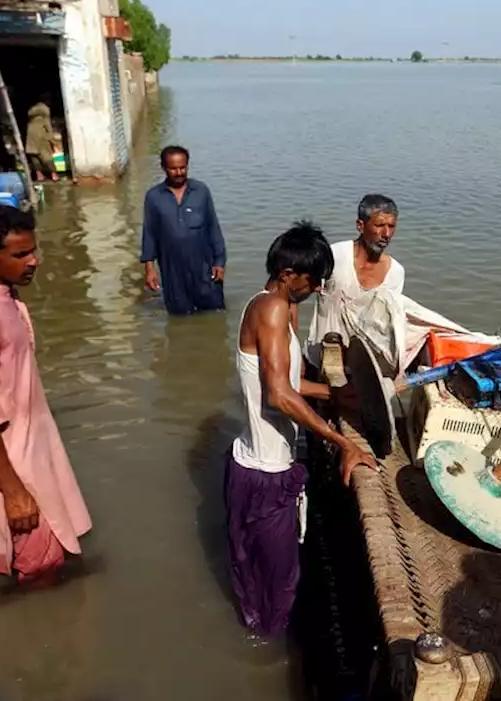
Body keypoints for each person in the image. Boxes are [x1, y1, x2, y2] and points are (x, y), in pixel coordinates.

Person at [227, 220, 377, 640]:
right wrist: (342, 441)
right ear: (289, 275)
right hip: (266, 475)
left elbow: (288, 384)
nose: (314, 292)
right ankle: (266, 656)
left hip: (250, 466)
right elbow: (278, 396)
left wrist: (335, 394)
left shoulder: (263, 304)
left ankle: (256, 637)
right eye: (312, 283)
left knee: (253, 573)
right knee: (279, 582)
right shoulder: (274, 309)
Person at [0, 205, 92, 581]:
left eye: (33, 251)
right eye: (21, 254)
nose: (34, 261)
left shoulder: (1, 295)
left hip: (31, 454)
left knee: (51, 567)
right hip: (14, 469)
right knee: (39, 574)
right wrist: (14, 492)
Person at [304, 194, 404, 372]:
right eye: (380, 226)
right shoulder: (334, 256)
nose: (386, 234)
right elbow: (296, 291)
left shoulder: (395, 273)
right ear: (360, 225)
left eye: (391, 226)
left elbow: (387, 326)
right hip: (317, 360)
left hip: (360, 372)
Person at [140, 145, 227, 315]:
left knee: (214, 313)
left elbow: (213, 228)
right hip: (172, 268)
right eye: (173, 168)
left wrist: (220, 262)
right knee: (179, 315)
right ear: (164, 168)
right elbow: (149, 234)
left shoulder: (201, 191)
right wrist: (150, 270)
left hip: (204, 266)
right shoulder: (154, 197)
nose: (179, 172)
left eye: (183, 167)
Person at [24, 95, 60, 182]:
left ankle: (39, 175)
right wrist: (53, 140)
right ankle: (54, 175)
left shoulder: (31, 111)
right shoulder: (45, 110)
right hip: (41, 134)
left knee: (34, 156)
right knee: (46, 156)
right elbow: (48, 126)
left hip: (30, 134)